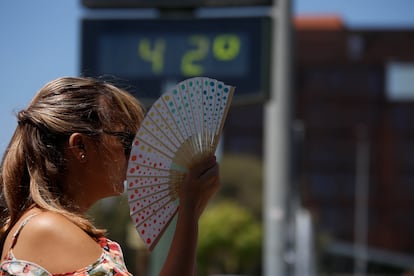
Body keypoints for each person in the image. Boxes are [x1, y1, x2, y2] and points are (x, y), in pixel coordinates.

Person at [0, 76, 221, 275]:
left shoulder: (45, 225)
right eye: (126, 140)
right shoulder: (47, 228)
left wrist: (191, 209)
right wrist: (190, 209)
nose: (135, 153)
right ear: (80, 147)